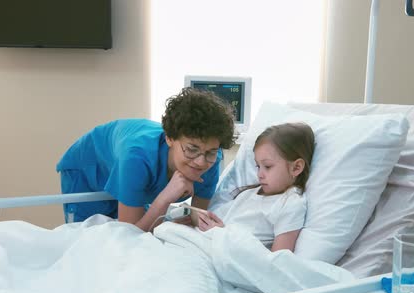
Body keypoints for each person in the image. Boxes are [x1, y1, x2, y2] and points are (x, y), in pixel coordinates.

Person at [56, 87, 236, 231]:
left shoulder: (211, 159)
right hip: (88, 170)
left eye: (210, 152)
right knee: (86, 241)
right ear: (169, 138)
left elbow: (197, 217)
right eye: (191, 149)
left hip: (128, 166)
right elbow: (129, 235)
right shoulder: (136, 159)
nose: (200, 162)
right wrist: (164, 198)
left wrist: (201, 220)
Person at [195, 122, 315, 252]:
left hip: (231, 256)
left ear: (296, 167)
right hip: (208, 245)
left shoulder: (290, 203)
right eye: (258, 166)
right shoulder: (248, 193)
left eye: (267, 166)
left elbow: (278, 261)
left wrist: (220, 234)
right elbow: (218, 221)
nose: (259, 174)